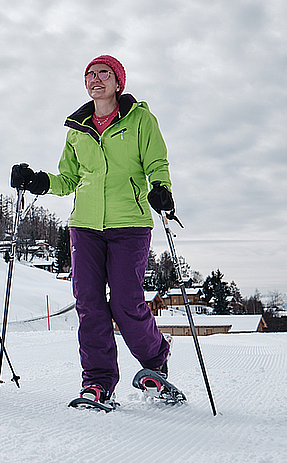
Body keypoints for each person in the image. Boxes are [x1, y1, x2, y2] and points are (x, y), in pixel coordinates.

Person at [10, 55, 180, 408]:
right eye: (90, 74)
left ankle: (155, 361)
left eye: (104, 73)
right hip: (85, 226)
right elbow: (68, 179)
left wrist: (161, 188)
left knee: (125, 301)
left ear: (119, 82)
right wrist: (38, 181)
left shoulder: (140, 119)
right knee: (88, 304)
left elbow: (156, 163)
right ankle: (99, 383)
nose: (96, 79)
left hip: (129, 223)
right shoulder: (78, 129)